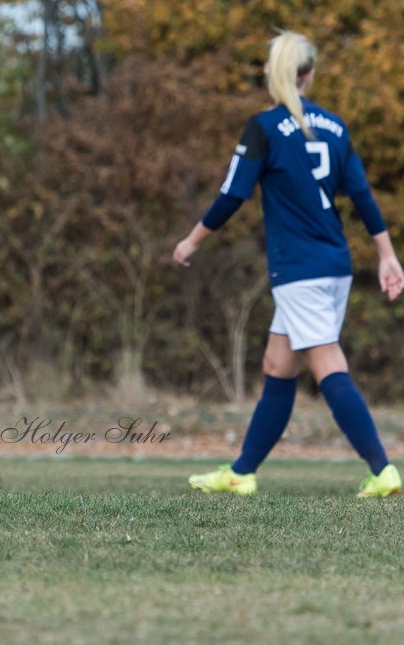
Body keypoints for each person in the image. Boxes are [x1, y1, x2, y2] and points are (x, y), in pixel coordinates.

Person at [173, 30, 403, 498]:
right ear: (310, 74)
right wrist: (386, 254)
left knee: (327, 364)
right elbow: (361, 197)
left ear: (271, 73)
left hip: (300, 271)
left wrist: (191, 240)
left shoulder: (263, 127)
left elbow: (233, 194)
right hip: (332, 264)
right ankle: (241, 472)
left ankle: (383, 469)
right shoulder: (336, 127)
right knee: (278, 364)